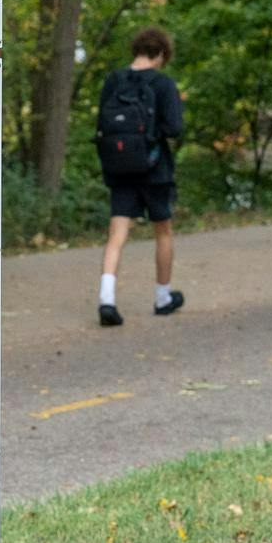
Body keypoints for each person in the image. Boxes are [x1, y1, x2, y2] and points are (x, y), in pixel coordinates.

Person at [94, 26, 185, 327]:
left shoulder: (113, 80)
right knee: (163, 231)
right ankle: (162, 298)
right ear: (160, 54)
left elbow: (101, 127)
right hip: (154, 168)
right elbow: (174, 128)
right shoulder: (163, 84)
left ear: (137, 51)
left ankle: (107, 299)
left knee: (117, 234)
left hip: (119, 167)